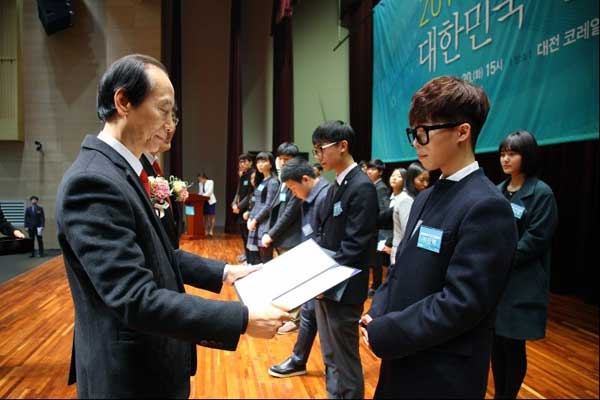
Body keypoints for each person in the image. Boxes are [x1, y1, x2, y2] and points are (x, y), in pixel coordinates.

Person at [55, 54, 288, 398]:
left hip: (151, 362)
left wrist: (227, 272)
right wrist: (242, 318)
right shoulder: (93, 181)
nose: (170, 123)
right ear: (123, 102)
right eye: (164, 110)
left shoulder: (126, 171)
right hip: (128, 376)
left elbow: (159, 253)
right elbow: (134, 297)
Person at [360, 75, 518, 398]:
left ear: (463, 132)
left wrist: (389, 330)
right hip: (403, 356)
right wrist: (378, 309)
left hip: (441, 372)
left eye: (425, 133)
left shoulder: (487, 205)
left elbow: (461, 303)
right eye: (413, 133)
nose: (417, 143)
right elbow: (401, 267)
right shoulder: (425, 196)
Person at [312, 120, 379, 399]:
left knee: (346, 357)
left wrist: (322, 280)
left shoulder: (361, 187)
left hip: (344, 286)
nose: (318, 156)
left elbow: (355, 245)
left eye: (321, 149)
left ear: (343, 146)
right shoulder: (335, 185)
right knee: (329, 353)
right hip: (326, 283)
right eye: (315, 150)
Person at [491, 130, 558, 399]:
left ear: (526, 156)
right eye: (503, 154)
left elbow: (536, 238)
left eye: (512, 153)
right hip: (496, 282)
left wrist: (499, 259)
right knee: (496, 342)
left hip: (522, 282)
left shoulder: (541, 193)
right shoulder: (497, 191)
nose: (505, 159)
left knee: (513, 344)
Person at [268, 157, 332, 378]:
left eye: (293, 188)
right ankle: (298, 360)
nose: (293, 193)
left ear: (305, 179)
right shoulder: (312, 195)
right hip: (313, 265)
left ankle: (333, 372)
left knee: (329, 330)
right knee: (307, 315)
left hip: (324, 272)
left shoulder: (325, 196)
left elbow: (328, 240)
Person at [140, 108, 180, 248]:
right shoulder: (137, 167)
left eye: (173, 119)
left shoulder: (153, 166)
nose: (169, 127)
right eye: (164, 119)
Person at [387, 161, 429, 263]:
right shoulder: (406, 199)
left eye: (427, 180)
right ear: (411, 180)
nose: (426, 184)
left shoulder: (414, 197)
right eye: (421, 180)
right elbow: (408, 230)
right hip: (402, 253)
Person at [246, 151, 280, 264]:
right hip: (256, 222)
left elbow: (269, 205)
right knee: (257, 259)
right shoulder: (262, 181)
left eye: (263, 161)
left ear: (270, 164)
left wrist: (255, 220)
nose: (260, 164)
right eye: (258, 162)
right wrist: (251, 217)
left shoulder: (273, 182)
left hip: (264, 223)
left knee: (266, 259)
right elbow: (256, 203)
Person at [366, 159, 391, 297]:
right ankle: (375, 286)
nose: (369, 171)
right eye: (369, 168)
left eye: (373, 169)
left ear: (380, 172)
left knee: (377, 262)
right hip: (374, 230)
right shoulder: (373, 185)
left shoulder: (380, 187)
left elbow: (384, 209)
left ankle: (376, 287)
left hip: (379, 231)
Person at [231, 153, 254, 262]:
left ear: (250, 163)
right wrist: (234, 203)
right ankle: (246, 254)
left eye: (244, 161)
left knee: (248, 234)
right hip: (240, 210)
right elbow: (238, 192)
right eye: (240, 162)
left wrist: (239, 206)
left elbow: (250, 194)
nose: (242, 164)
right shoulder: (243, 175)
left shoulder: (252, 174)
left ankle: (249, 256)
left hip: (248, 209)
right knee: (243, 235)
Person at [380, 167, 406, 261]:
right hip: (382, 240)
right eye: (393, 175)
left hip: (396, 242)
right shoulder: (386, 198)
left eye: (399, 176)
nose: (394, 178)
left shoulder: (405, 200)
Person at [197, 172, 217, 237]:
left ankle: (211, 230)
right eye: (199, 180)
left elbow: (210, 192)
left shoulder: (210, 182)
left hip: (210, 201)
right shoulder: (200, 184)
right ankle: (205, 230)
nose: (200, 181)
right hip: (204, 201)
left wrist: (202, 196)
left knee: (211, 216)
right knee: (205, 216)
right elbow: (200, 192)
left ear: (204, 178)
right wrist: (198, 196)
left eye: (200, 179)